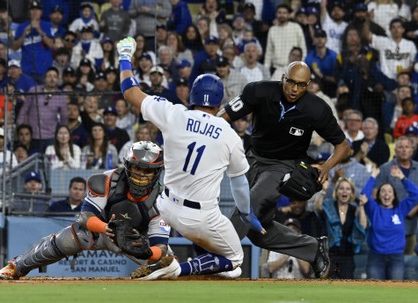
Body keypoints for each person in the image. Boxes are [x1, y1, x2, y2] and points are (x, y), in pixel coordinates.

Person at [116, 37, 265, 280]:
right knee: (235, 260)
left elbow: (130, 92)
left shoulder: (174, 113)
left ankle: (170, 258)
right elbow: (239, 183)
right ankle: (177, 268)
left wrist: (124, 56)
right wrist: (247, 214)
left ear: (193, 96)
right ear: (219, 103)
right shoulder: (229, 135)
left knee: (226, 268)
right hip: (201, 216)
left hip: (166, 209)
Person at [217, 60, 351, 279]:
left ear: (308, 85)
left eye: (301, 85)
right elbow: (224, 116)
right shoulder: (259, 91)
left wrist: (327, 166)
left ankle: (219, 257)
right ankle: (312, 248)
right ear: (283, 78)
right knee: (258, 232)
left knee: (249, 204)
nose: (295, 89)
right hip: (252, 160)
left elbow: (343, 145)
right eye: (291, 82)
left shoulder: (317, 109)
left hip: (284, 166)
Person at [0, 141, 169, 280]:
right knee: (68, 239)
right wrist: (107, 229)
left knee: (168, 264)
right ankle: (16, 266)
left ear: (157, 172)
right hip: (99, 230)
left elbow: (160, 246)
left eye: (148, 170)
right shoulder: (108, 180)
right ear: (127, 166)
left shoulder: (164, 199)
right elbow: (85, 217)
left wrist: (146, 252)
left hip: (136, 240)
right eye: (137, 168)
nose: (141, 175)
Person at [360, 165, 418, 280]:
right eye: (383, 191)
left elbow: (415, 194)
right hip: (376, 257)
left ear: (394, 195)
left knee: (396, 292)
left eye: (389, 191)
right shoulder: (374, 209)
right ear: (378, 195)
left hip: (396, 257)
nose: (386, 194)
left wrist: (402, 178)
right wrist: (373, 176)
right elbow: (364, 195)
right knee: (375, 290)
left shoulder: (400, 209)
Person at [314, 178, 367, 279]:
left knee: (347, 288)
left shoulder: (354, 209)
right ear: (336, 191)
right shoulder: (329, 206)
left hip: (347, 256)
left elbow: (362, 225)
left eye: (348, 189)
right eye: (341, 188)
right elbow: (317, 207)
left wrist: (362, 206)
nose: (344, 191)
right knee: (328, 287)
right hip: (329, 256)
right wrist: (324, 191)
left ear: (351, 193)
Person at [375, 137, 418, 256]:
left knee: (410, 263)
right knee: (390, 261)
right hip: (389, 224)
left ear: (412, 150)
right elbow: (375, 192)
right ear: (395, 150)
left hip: (413, 224)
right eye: (400, 147)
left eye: (407, 147)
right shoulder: (385, 168)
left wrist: (414, 209)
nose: (404, 150)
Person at [17, 67, 68, 153]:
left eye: (55, 77)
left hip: (51, 136)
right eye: (49, 76)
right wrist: (20, 128)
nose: (52, 79)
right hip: (33, 135)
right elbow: (24, 110)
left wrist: (61, 134)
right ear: (44, 78)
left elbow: (64, 118)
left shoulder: (61, 96)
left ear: (58, 80)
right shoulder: (34, 91)